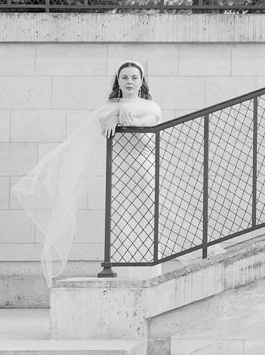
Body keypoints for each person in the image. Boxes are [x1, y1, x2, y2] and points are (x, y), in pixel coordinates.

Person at [13, 61, 162, 284]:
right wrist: (115, 112)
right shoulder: (106, 109)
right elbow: (104, 124)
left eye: (134, 77)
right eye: (124, 77)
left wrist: (122, 112)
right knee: (121, 219)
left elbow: (145, 128)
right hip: (120, 172)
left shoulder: (152, 107)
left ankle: (150, 274)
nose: (129, 81)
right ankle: (123, 274)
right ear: (118, 81)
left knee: (148, 217)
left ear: (141, 81)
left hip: (144, 170)